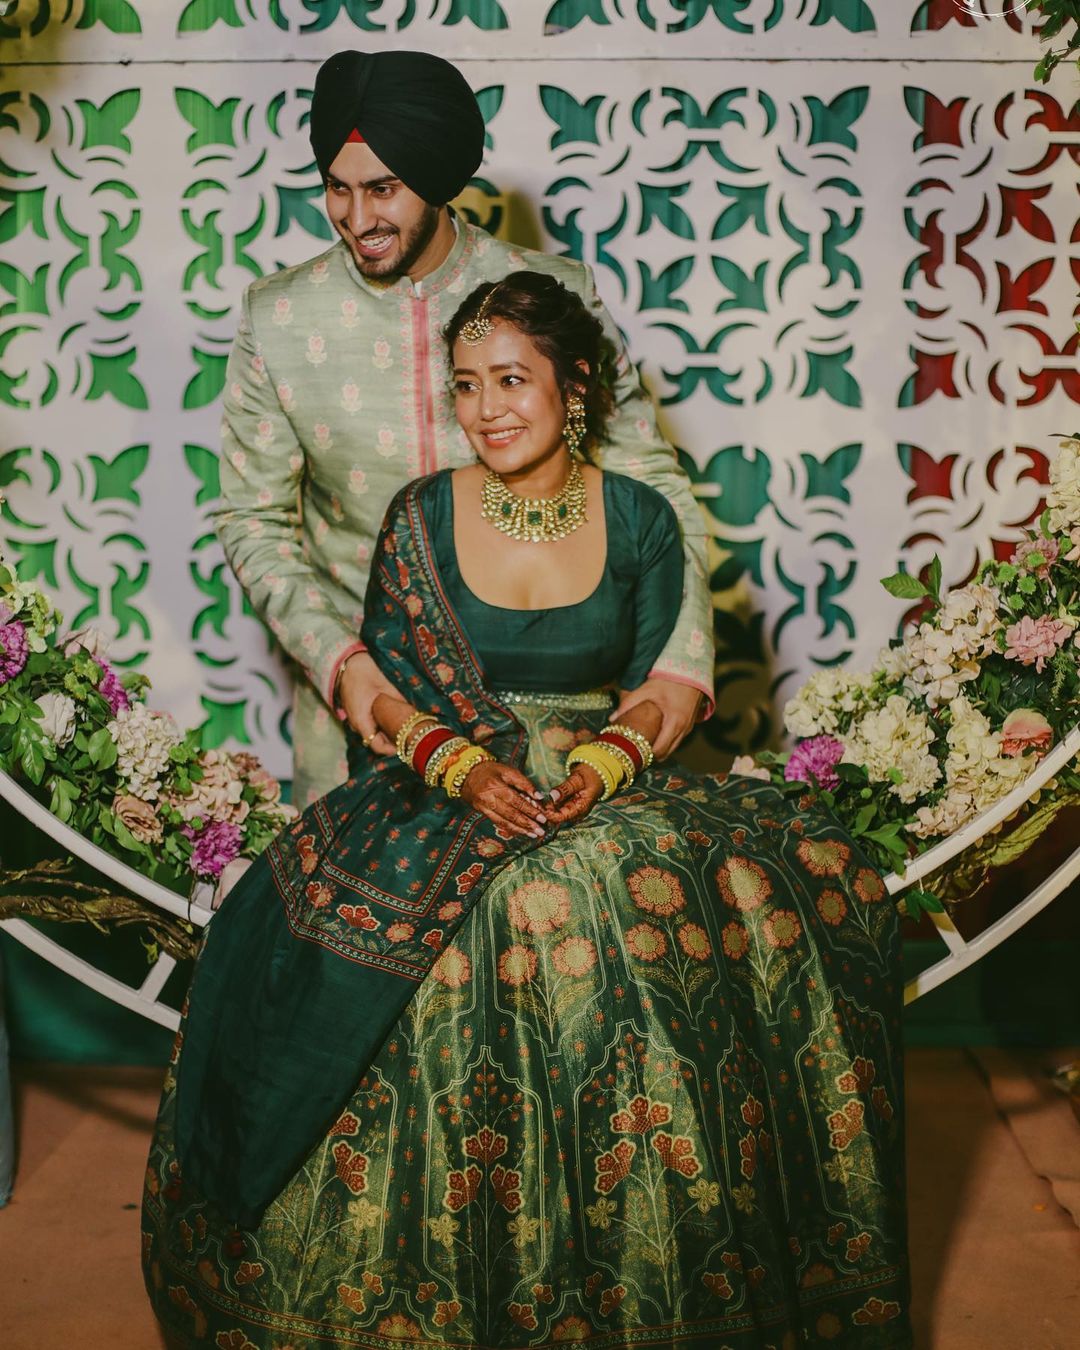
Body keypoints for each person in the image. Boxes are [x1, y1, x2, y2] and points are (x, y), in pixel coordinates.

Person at [143, 274, 911, 1349]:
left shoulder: (640, 517)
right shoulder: (421, 517)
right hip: (439, 779)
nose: (488, 408)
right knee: (458, 924)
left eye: (512, 380)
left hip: (603, 784)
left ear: (576, 385)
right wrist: (462, 770)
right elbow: (391, 690)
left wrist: (601, 765)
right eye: (466, 386)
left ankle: (641, 1288)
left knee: (719, 899)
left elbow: (667, 687)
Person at [215, 48, 713, 808]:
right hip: (372, 715)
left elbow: (654, 488)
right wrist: (342, 663)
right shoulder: (279, 318)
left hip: (565, 732)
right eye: (337, 191)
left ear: (437, 176)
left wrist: (678, 671)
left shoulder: (554, 295)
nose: (358, 219)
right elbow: (254, 522)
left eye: (383, 189)